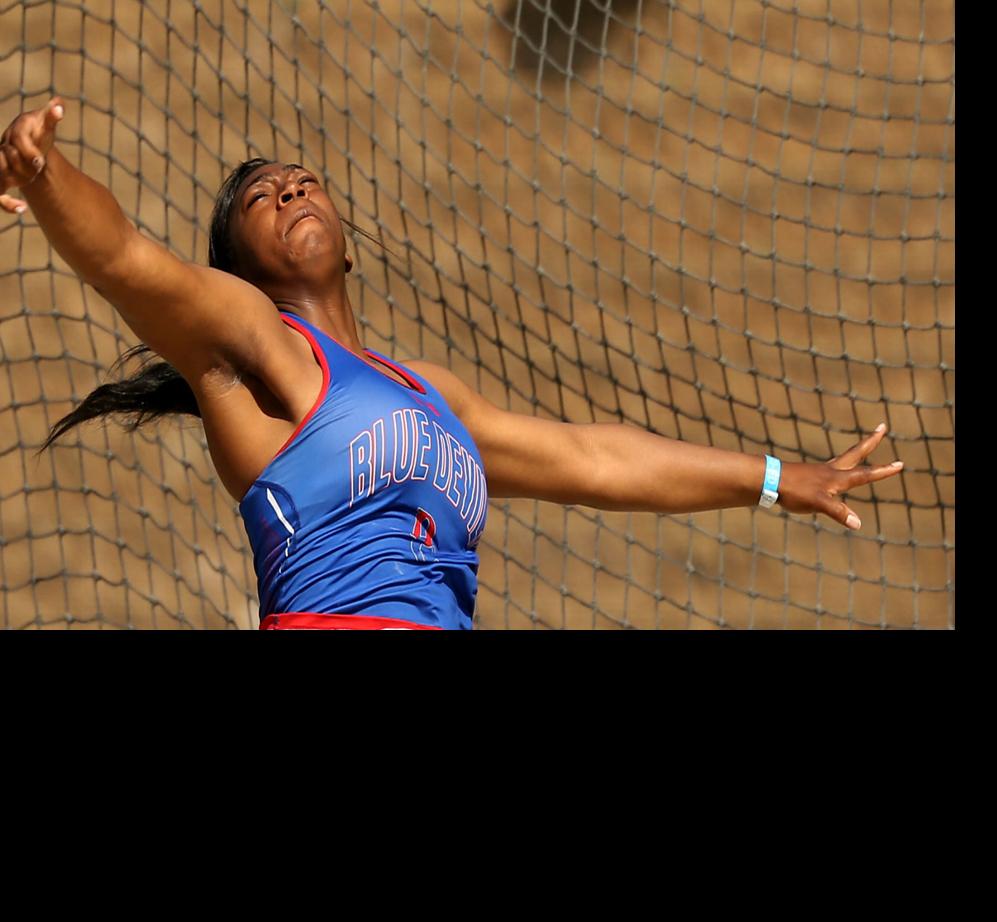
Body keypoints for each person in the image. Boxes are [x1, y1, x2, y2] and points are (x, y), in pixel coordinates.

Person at [0, 97, 904, 630]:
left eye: (302, 179)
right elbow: (123, 257)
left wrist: (779, 477)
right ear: (237, 271)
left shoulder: (431, 395)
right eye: (260, 198)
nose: (289, 191)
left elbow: (597, 460)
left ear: (348, 248)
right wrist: (45, 177)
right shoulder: (255, 346)